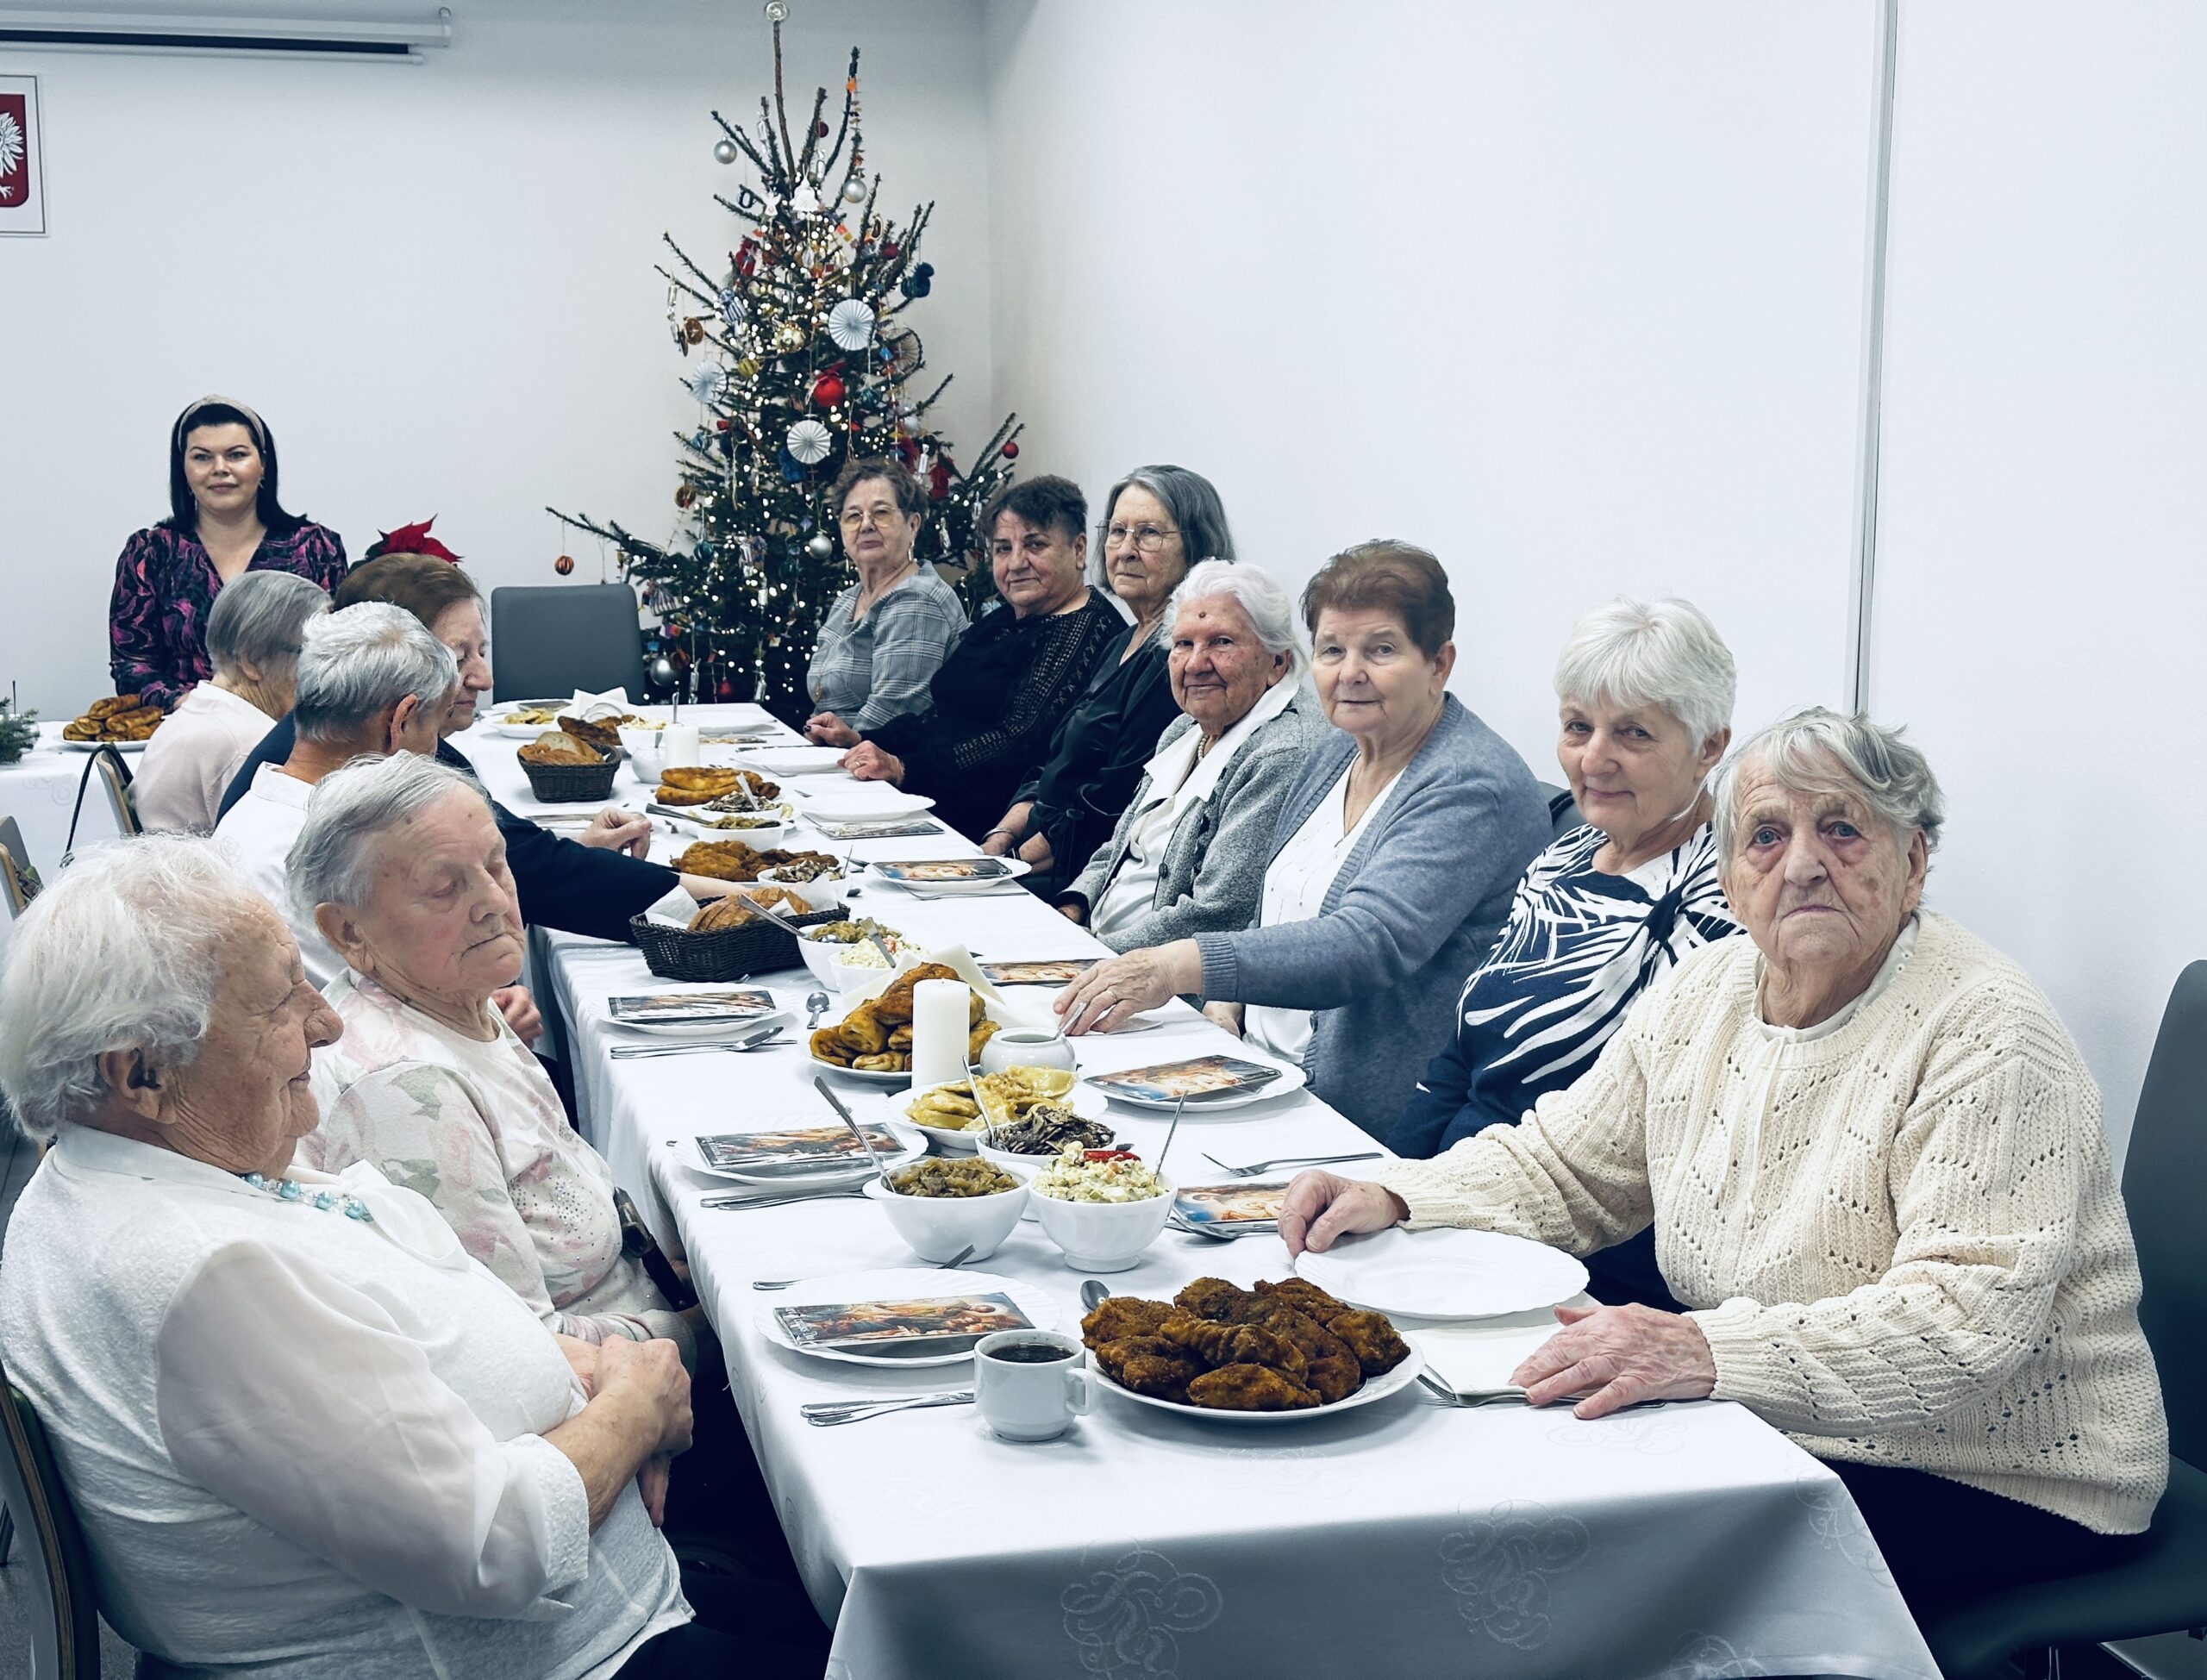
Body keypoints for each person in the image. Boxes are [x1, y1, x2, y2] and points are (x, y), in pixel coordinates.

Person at [1280, 708, 2170, 1629]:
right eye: (1766, 835)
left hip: (1998, 1469)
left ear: (1913, 864)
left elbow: (1961, 1323)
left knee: (1598, 1574)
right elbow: (1567, 1165)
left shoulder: (1985, 1031)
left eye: (1842, 828)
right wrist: (1395, 1191)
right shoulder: (1709, 988)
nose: (1803, 864)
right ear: (1730, 877)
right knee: (1474, 1485)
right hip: (1782, 1420)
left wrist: (1701, 1347)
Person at [0, 838, 832, 1677]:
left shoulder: (137, 1164)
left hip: (608, 1592)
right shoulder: (198, 1271)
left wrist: (602, 1364)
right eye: (282, 1003)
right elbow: (493, 1547)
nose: (326, 1022)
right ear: (142, 1070)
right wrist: (637, 1406)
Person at [1057, 540, 1549, 1137]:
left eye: (1382, 649)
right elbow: (1273, 909)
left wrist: (1180, 966)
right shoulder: (1338, 749)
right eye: (1333, 649)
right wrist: (1227, 1005)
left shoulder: (1472, 782)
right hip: (1249, 1074)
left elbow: (1367, 941)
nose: (1350, 673)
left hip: (1355, 1125)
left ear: (1439, 663)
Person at [1390, 596, 1743, 1309]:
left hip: (1588, 1260)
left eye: (1634, 733)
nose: (1594, 758)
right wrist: (1392, 1184)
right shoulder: (1567, 855)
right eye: (1578, 726)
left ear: (1709, 746)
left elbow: (1653, 1156)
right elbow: (1462, 1055)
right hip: (1460, 1205)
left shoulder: (1729, 901)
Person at [291, 754, 696, 1358]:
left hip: (640, 1309)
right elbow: (521, 1350)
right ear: (348, 932)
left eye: (495, 864)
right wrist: (710, 1336)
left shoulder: (450, 995)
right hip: (614, 1398)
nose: (493, 901)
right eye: (444, 886)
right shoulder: (407, 1092)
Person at [219, 546, 740, 947]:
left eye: (479, 652)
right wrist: (751, 902)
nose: (484, 678)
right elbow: (539, 881)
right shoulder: (359, 799)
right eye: (458, 656)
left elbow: (522, 866)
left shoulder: (312, 747)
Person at [980, 465, 1230, 893]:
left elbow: (1113, 798)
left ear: (1195, 547)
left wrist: (1009, 865)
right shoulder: (1122, 640)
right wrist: (999, 838)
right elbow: (1053, 761)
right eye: (1117, 532)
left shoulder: (1177, 658)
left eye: (1148, 533)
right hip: (1035, 853)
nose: (1126, 550)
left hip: (1085, 873)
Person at [839, 476, 1126, 842]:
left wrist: (902, 768)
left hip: (982, 826)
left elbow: (1016, 742)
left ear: (1079, 550)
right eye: (1003, 549)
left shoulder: (1084, 629)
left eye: (1035, 544)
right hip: (925, 799)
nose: (1017, 562)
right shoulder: (1007, 617)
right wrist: (860, 737)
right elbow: (939, 715)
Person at [1055, 560, 1322, 951]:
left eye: (1222, 642)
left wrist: (1090, 954)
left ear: (1276, 663)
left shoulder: (1281, 752)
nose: (1196, 664)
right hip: (1098, 949)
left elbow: (1218, 914)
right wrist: (1071, 909)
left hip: (1167, 985)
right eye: (1183, 644)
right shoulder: (1184, 729)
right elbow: (1119, 849)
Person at [213, 603, 457, 988]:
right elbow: (387, 1015)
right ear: (400, 722)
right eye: (437, 727)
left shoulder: (254, 814)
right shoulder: (324, 856)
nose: (434, 749)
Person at [109, 396, 347, 711]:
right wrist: (191, 705)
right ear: (183, 469)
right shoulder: (150, 553)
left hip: (294, 733)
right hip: (187, 728)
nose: (220, 469)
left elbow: (339, 652)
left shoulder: (317, 548)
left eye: (236, 455)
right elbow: (131, 663)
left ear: (263, 464)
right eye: (202, 457)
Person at [131, 571, 329, 834]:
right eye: (311, 653)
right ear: (252, 661)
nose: (324, 670)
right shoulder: (248, 746)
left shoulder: (199, 712)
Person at [800, 457, 966, 744]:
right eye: (853, 516)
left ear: (913, 524)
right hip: (837, 758)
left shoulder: (918, 600)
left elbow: (888, 721)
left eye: (881, 513)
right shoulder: (848, 601)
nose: (866, 525)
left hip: (884, 774)